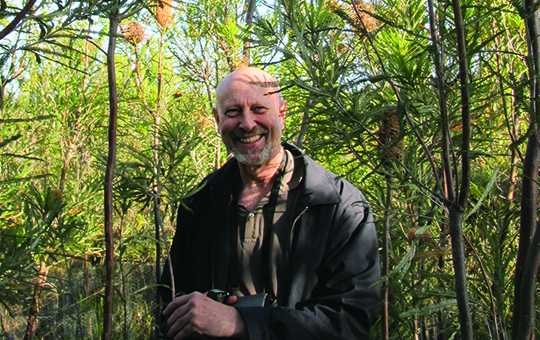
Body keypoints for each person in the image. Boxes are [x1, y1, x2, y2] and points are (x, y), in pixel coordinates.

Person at [160, 66, 380, 340]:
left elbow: (351, 323)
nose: (248, 123)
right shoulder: (198, 203)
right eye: (233, 112)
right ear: (217, 119)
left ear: (282, 113)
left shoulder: (339, 207)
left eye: (259, 109)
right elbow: (169, 305)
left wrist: (240, 322)